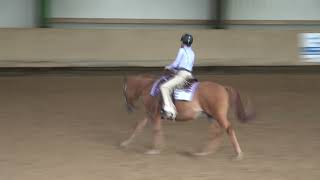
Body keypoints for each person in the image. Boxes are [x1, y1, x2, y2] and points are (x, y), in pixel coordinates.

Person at [160, 33, 195, 120]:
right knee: (172, 86)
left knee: (164, 87)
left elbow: (176, 64)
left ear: (183, 42)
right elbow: (187, 66)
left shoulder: (182, 50)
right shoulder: (193, 53)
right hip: (189, 75)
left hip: (182, 76)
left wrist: (168, 67)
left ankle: (169, 110)